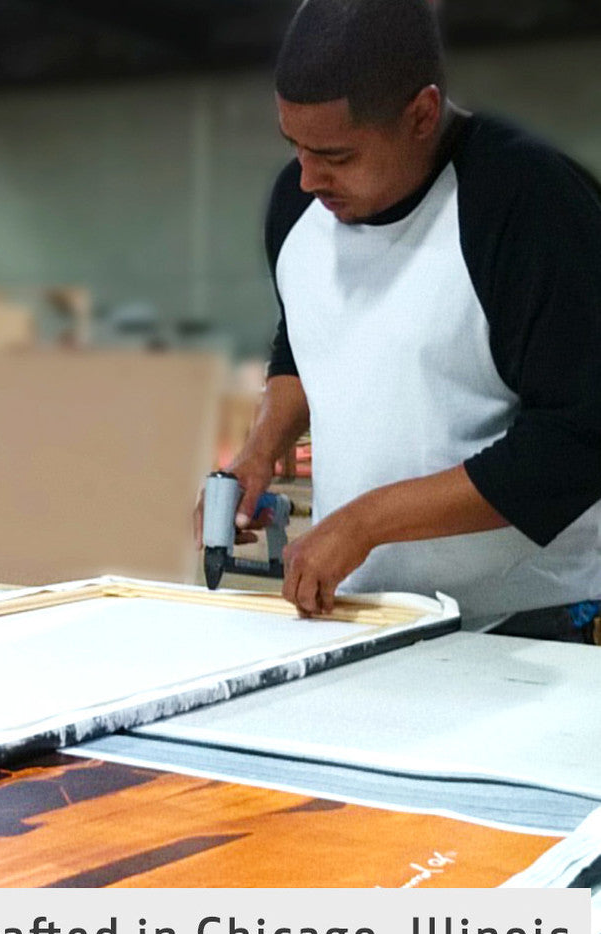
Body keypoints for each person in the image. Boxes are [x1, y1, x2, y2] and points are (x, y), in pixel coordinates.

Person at [196, 0, 601, 637]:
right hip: (365, 616)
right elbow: (304, 340)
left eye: (335, 154)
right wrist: (259, 451)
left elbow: (577, 441)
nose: (306, 178)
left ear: (421, 115)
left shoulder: (528, 203)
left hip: (535, 621)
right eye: (294, 147)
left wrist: (365, 522)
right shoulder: (299, 205)